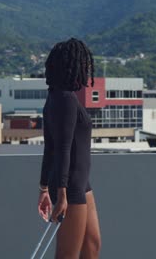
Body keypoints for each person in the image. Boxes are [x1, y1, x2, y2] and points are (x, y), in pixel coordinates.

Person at [37, 38, 101, 259]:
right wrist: (61, 195)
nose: (86, 69)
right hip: (71, 186)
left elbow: (50, 149)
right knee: (67, 254)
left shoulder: (56, 97)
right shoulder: (65, 100)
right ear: (71, 65)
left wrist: (44, 188)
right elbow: (61, 149)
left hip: (80, 184)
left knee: (92, 246)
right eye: (84, 64)